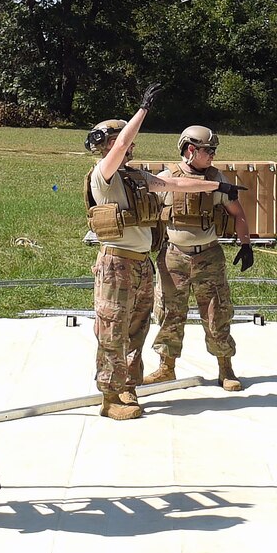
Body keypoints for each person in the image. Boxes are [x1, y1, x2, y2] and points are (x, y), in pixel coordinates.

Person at [84, 88, 225, 420]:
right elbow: (119, 146)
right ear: (107, 144)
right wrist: (144, 109)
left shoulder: (133, 177)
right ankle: (109, 396)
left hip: (140, 264)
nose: (130, 147)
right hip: (116, 262)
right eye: (123, 142)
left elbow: (174, 186)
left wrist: (216, 187)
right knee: (112, 328)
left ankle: (128, 386)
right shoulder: (103, 176)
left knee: (136, 327)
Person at [146, 124, 253, 392]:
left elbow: (238, 213)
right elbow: (148, 214)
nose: (213, 156)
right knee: (170, 312)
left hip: (209, 258)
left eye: (214, 151)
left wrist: (246, 244)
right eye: (208, 151)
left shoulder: (218, 180)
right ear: (190, 150)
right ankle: (166, 367)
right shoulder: (167, 179)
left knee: (217, 313)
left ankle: (225, 368)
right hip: (174, 258)